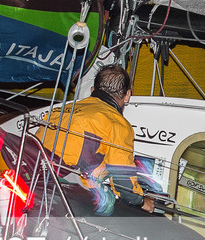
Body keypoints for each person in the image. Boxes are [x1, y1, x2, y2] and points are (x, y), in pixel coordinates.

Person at [36, 64, 152, 214]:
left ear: (92, 90)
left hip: (34, 177)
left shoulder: (60, 110)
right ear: (127, 95)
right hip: (66, 189)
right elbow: (124, 184)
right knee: (117, 208)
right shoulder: (117, 124)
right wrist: (142, 202)